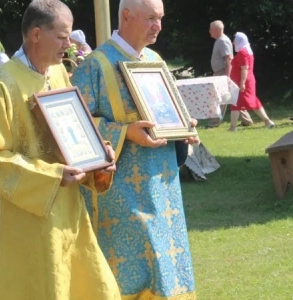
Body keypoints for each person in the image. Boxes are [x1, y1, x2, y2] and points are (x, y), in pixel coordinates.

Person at [0, 1, 121, 299]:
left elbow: (73, 134)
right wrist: (52, 175)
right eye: (62, 37)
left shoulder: (59, 73)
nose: (69, 43)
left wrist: (97, 157)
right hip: (25, 215)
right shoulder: (3, 84)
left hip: (67, 208)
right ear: (36, 35)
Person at [71, 0, 197, 298]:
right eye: (151, 18)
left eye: (161, 18)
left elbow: (166, 112)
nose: (158, 25)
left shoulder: (154, 59)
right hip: (121, 191)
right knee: (133, 269)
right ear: (126, 17)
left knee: (165, 262)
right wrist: (125, 132)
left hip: (163, 184)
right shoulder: (95, 65)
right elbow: (74, 126)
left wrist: (182, 125)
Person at [207, 20, 253, 128]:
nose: (209, 31)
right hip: (220, 72)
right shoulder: (219, 40)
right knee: (233, 97)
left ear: (216, 30)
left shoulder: (223, 41)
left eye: (210, 29)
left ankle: (214, 123)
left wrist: (227, 76)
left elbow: (228, 59)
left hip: (223, 72)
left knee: (221, 96)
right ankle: (247, 120)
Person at [228, 32, 275, 131]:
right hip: (247, 81)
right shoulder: (247, 51)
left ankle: (233, 127)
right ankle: (267, 121)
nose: (233, 42)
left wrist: (242, 83)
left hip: (244, 82)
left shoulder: (242, 53)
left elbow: (244, 68)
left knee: (236, 103)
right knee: (253, 101)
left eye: (234, 40)